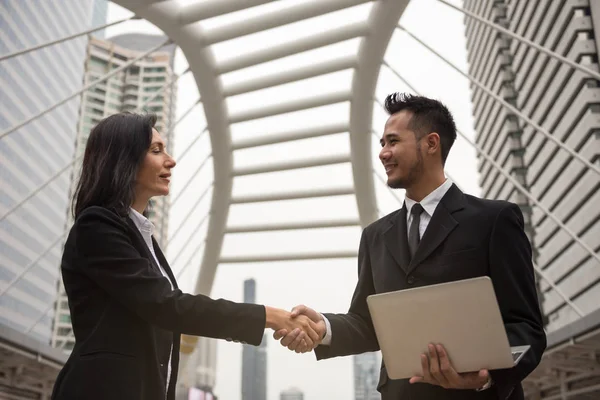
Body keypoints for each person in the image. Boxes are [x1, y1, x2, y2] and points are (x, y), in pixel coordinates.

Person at [275, 93, 547, 399]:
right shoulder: (375, 236)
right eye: (382, 144)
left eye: (393, 141)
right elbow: (368, 323)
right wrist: (323, 326)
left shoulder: (494, 220)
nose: (383, 153)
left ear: (431, 144)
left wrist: (484, 377)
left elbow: (526, 328)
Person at [51, 112, 320, 400]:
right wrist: (271, 316)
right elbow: (167, 306)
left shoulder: (144, 238)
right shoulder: (97, 226)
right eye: (156, 150)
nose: (171, 160)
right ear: (123, 159)